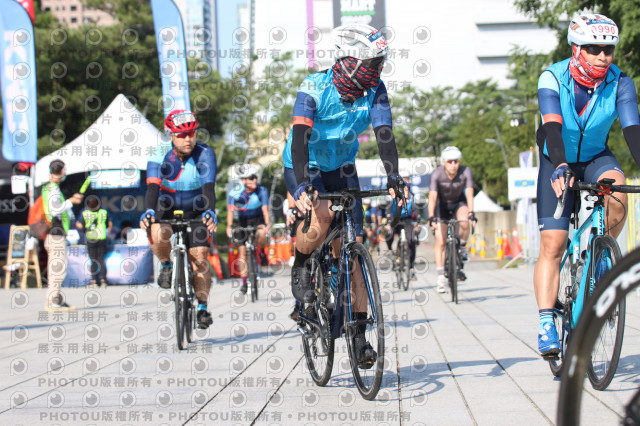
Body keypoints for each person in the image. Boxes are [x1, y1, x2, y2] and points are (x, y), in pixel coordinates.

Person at [283, 23, 403, 369]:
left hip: (343, 166)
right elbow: (300, 138)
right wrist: (302, 185)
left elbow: (384, 134)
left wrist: (393, 176)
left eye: (381, 62)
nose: (379, 69)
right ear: (351, 62)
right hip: (306, 164)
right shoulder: (313, 88)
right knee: (321, 216)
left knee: (352, 254)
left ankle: (359, 335)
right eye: (374, 63)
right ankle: (302, 264)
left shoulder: (375, 90)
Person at [534, 14, 640, 357]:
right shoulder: (553, 77)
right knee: (553, 244)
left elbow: (632, 131)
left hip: (596, 157)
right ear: (576, 48)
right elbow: (552, 126)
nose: (603, 56)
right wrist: (560, 165)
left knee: (619, 194)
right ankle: (546, 322)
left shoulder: (621, 82)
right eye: (594, 49)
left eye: (608, 50)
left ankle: (601, 257)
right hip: (556, 158)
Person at [139, 110, 218, 330]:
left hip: (196, 208)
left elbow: (208, 187)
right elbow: (152, 187)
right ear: (171, 135)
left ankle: (202, 307)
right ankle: (166, 264)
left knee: (199, 257)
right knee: (157, 232)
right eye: (182, 135)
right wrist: (149, 211)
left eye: (192, 133)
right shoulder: (159, 153)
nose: (188, 139)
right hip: (167, 206)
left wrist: (210, 211)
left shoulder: (204, 152)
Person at [427, 146, 475, 294]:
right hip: (441, 206)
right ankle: (441, 276)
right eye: (450, 161)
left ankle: (462, 247)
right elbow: (432, 196)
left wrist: (471, 213)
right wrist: (431, 216)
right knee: (440, 240)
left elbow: (469, 193)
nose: (453, 165)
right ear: (443, 162)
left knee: (465, 221)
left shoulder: (466, 172)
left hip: (458, 204)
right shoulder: (437, 174)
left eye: (456, 161)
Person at [42, 159, 84, 311]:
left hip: (54, 233)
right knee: (58, 269)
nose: (65, 172)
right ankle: (52, 301)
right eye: (64, 170)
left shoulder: (47, 187)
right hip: (56, 234)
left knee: (57, 267)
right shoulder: (53, 188)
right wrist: (71, 201)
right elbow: (55, 210)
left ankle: (57, 299)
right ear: (61, 171)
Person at [226, 164, 271, 294]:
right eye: (251, 178)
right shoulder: (235, 192)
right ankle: (245, 283)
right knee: (243, 252)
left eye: (255, 177)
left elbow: (265, 210)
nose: (254, 180)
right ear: (243, 180)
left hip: (258, 218)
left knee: (262, 232)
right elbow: (230, 211)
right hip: (243, 220)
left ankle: (261, 251)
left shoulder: (262, 190)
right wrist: (229, 226)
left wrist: (267, 224)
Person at [76, 195, 113, 287]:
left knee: (93, 260)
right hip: (101, 237)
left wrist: (83, 228)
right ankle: (103, 280)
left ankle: (94, 281)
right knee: (101, 259)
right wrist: (108, 231)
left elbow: (80, 225)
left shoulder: (85, 212)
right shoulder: (103, 211)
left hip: (91, 237)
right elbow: (109, 223)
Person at [385, 181, 418, 279]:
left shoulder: (412, 198)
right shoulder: (393, 197)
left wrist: (417, 223)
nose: (405, 191)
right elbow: (388, 210)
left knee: (411, 240)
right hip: (395, 219)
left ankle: (411, 267)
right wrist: (388, 223)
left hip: (407, 220)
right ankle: (390, 249)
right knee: (389, 232)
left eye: (406, 189)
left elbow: (416, 211)